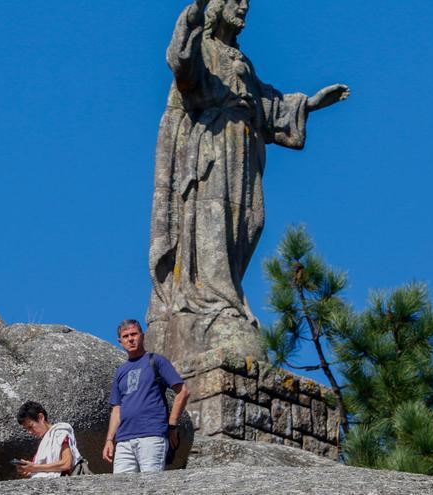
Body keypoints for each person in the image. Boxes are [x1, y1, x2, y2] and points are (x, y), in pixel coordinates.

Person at [147, 0, 350, 349]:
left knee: (249, 223)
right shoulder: (204, 47)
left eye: (246, 3)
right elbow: (181, 64)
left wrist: (311, 103)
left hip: (244, 147)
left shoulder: (239, 59)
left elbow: (264, 101)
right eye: (236, 1)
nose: (244, 7)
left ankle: (228, 298)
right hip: (212, 145)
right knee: (213, 221)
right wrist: (194, 11)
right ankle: (213, 302)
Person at [102, 319, 190, 473]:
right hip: (123, 440)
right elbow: (117, 408)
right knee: (121, 489)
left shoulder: (157, 361)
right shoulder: (120, 371)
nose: (130, 339)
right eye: (126, 336)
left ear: (142, 335)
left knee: (150, 487)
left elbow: (183, 391)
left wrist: (172, 425)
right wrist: (110, 439)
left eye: (134, 334)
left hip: (152, 435)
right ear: (120, 341)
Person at [15, 401, 86, 478]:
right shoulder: (43, 443)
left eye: (31, 427)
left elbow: (66, 463)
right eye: (26, 429)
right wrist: (28, 470)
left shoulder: (59, 432)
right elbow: (43, 468)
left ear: (41, 417)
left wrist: (35, 467)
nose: (29, 432)